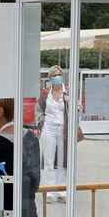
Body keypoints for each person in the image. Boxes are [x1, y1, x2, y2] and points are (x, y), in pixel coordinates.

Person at [39, 67, 73, 202]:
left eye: (59, 75)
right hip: (49, 128)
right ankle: (49, 191)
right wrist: (42, 123)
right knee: (48, 161)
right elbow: (39, 111)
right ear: (50, 78)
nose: (57, 77)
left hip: (63, 130)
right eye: (54, 75)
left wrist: (73, 104)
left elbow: (76, 109)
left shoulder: (68, 92)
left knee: (62, 160)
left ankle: (62, 190)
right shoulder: (45, 93)